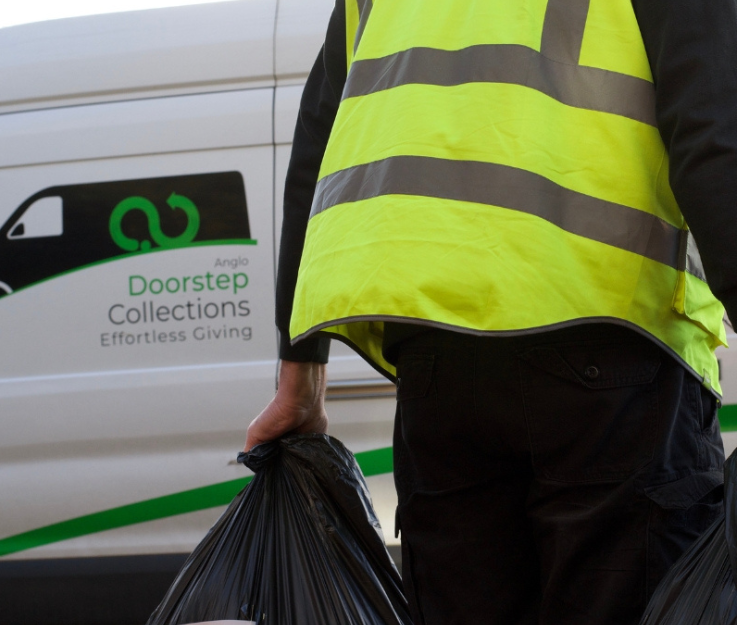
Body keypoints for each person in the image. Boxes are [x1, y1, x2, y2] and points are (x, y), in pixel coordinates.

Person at [245, 1, 737, 623]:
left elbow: (318, 145)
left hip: (439, 364)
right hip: (611, 345)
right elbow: (715, 137)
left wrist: (300, 377)